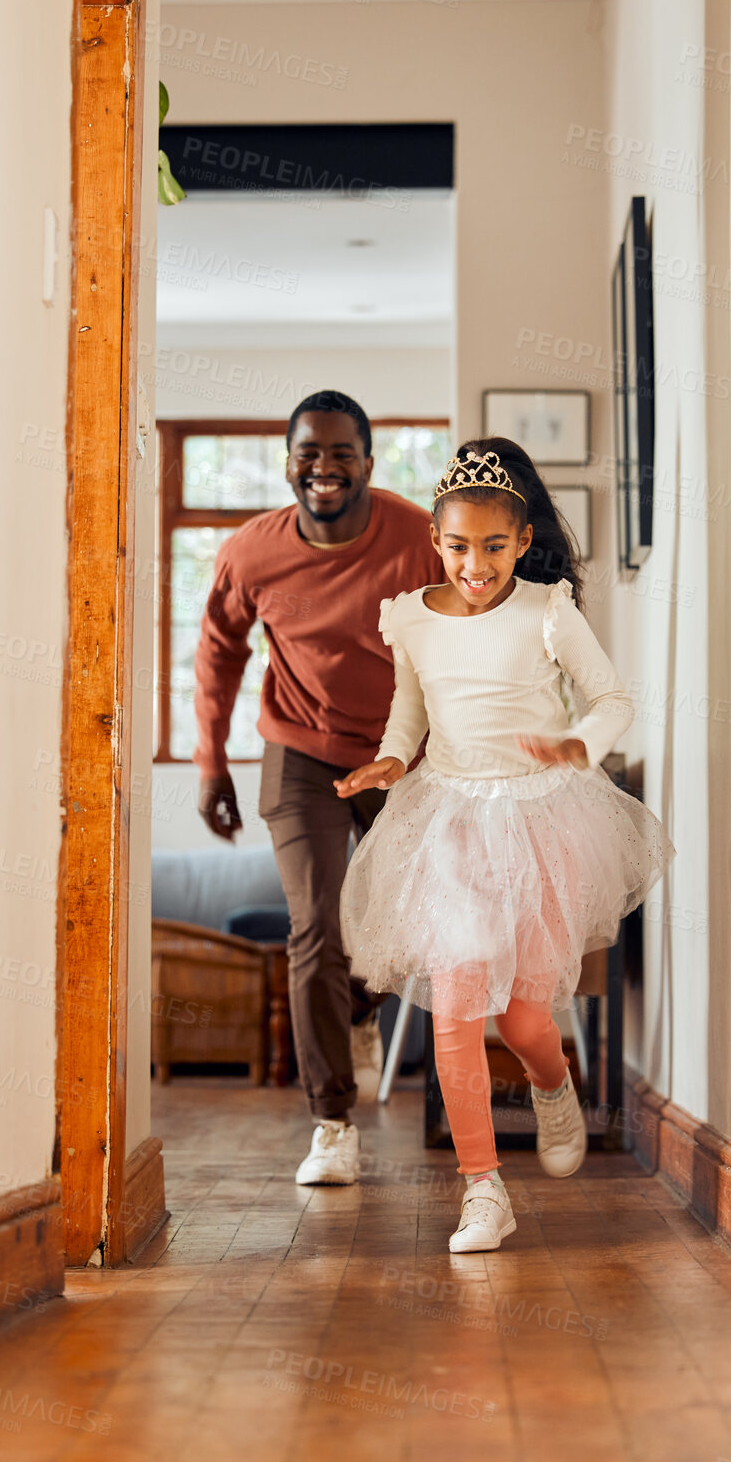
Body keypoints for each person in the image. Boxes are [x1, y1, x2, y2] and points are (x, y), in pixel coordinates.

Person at [336, 437, 674, 1252]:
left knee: (526, 1021)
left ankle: (553, 1085)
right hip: (447, 821)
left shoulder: (548, 609)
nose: (474, 564)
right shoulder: (410, 615)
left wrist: (578, 745)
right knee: (453, 1016)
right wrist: (390, 756)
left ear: (522, 542)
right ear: (435, 542)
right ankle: (483, 1188)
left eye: (493, 546)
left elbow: (613, 699)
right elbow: (409, 716)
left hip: (546, 819)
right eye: (458, 546)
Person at [193, 390, 442, 1185]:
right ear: (288, 461)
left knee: (410, 923)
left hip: (402, 750)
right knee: (316, 931)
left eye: (342, 454)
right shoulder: (251, 552)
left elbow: (464, 637)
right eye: (309, 452)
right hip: (299, 753)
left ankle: (361, 1010)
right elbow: (219, 652)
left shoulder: (415, 540)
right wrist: (210, 763)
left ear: (369, 462)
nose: (324, 469)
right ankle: (332, 1122)